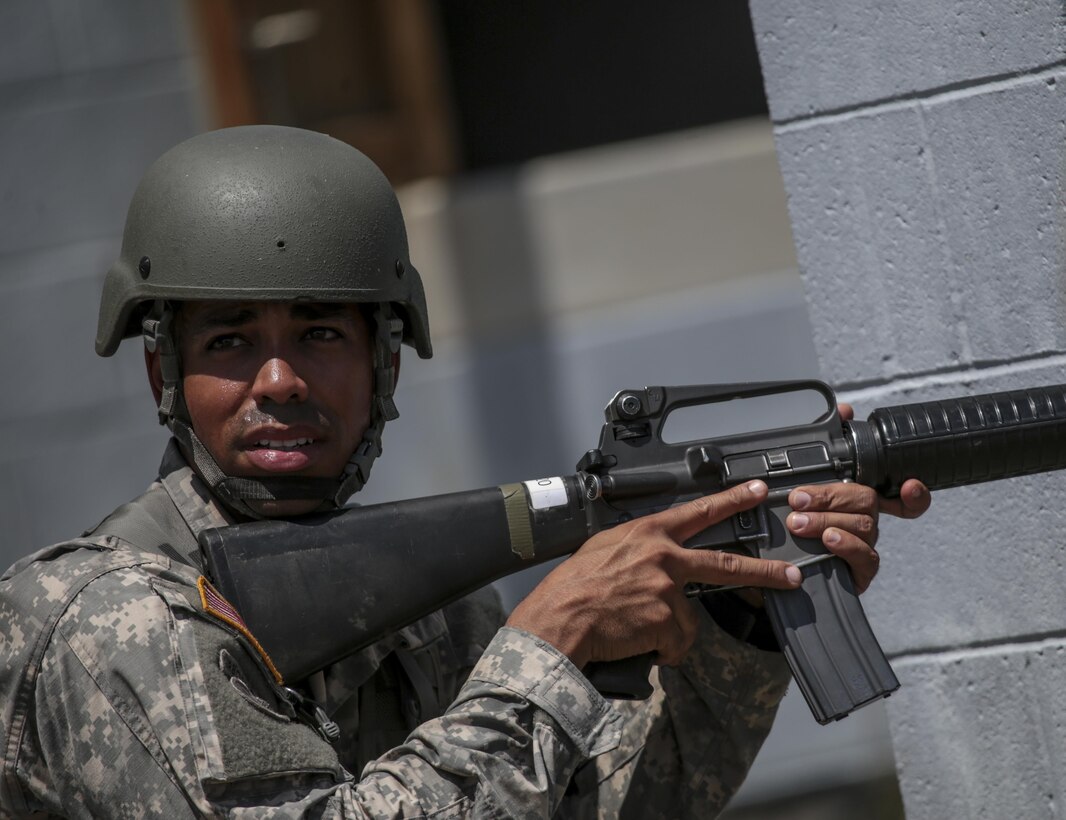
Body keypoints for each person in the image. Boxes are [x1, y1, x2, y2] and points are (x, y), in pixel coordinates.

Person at [0, 126, 929, 818]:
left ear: (385, 366)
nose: (278, 380)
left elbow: (584, 809)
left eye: (321, 334)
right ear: (166, 373)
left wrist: (744, 608)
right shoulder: (102, 618)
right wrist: (551, 645)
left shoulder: (427, 615)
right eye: (232, 341)